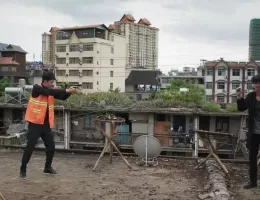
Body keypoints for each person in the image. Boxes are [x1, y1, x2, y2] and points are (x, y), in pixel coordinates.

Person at [20, 71, 76, 179]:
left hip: (46, 125)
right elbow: (47, 91)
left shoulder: (50, 92)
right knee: (30, 147)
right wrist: (66, 90)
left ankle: (47, 167)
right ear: (45, 81)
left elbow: (62, 97)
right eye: (51, 82)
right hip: (35, 124)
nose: (52, 84)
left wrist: (69, 92)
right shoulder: (37, 88)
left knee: (51, 147)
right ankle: (23, 168)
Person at [237, 74, 260, 189]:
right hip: (254, 133)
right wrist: (239, 97)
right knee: (252, 158)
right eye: (253, 83)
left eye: (256, 83)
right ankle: (253, 182)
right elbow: (241, 107)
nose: (254, 85)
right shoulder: (251, 96)